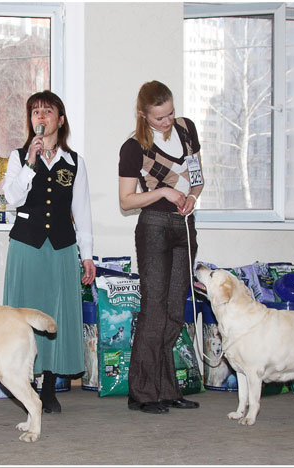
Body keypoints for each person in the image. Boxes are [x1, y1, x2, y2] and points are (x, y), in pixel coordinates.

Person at [1, 90, 96, 413]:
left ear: (61, 119)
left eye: (47, 111)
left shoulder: (74, 162)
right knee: (23, 315)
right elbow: (12, 199)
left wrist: (87, 255)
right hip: (26, 246)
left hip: (61, 247)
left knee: (56, 315)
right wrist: (30, 162)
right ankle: (24, 383)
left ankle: (50, 386)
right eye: (35, 112)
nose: (40, 117)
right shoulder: (18, 157)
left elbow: (82, 212)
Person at [118, 80, 204, 414]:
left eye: (170, 114)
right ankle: (141, 393)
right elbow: (126, 201)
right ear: (143, 114)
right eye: (159, 118)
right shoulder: (133, 147)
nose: (167, 121)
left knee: (174, 311)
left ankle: (168, 389)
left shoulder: (186, 130)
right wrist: (165, 192)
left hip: (184, 226)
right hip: (153, 227)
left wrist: (192, 197)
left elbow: (197, 178)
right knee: (154, 310)